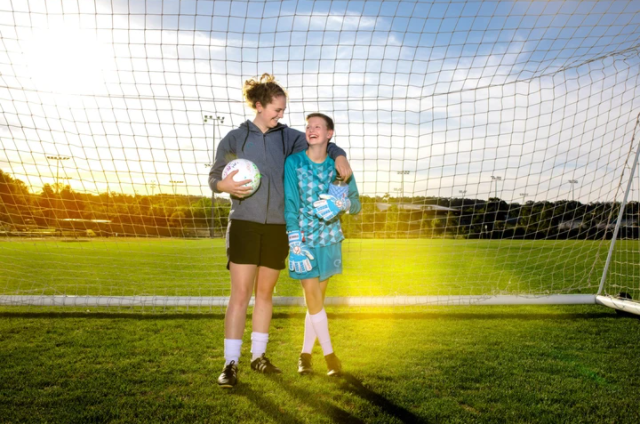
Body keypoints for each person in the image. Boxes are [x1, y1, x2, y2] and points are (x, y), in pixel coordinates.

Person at [208, 74, 352, 388]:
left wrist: (339, 155)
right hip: (245, 223)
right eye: (276, 109)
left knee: (265, 294)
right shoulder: (235, 138)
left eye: (283, 109)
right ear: (259, 106)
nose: (281, 115)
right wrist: (225, 185)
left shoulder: (288, 137)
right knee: (240, 295)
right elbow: (214, 177)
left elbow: (323, 141)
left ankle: (258, 357)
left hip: (277, 228)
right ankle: (230, 364)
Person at [283, 113, 361, 376]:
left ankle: (305, 356)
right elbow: (291, 203)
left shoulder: (338, 167)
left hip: (329, 240)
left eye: (318, 126)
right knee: (313, 298)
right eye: (308, 126)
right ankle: (330, 357)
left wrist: (343, 203)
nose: (311, 129)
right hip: (303, 242)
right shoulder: (294, 162)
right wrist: (293, 237)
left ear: (329, 134)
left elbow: (356, 205)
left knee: (315, 303)